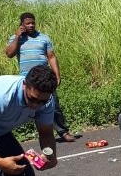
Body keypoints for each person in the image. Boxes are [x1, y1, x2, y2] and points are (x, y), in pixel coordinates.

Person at [5, 12, 77, 142]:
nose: (31, 25)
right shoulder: (16, 39)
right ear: (22, 24)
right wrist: (17, 36)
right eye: (28, 23)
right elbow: (9, 54)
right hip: (27, 81)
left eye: (33, 23)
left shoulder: (43, 38)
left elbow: (52, 57)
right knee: (27, 106)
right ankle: (35, 134)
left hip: (45, 78)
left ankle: (63, 132)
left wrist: (57, 75)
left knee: (53, 105)